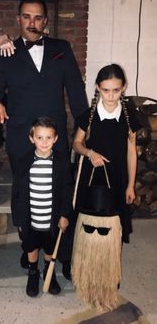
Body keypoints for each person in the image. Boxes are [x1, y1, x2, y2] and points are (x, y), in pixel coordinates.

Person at [0, 0, 88, 278]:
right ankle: (30, 252)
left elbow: (77, 94)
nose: (32, 22)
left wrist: (87, 127)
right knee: (27, 200)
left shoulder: (61, 49)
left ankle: (61, 257)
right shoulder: (5, 52)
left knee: (61, 198)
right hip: (21, 141)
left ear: (45, 21)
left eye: (38, 17)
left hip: (56, 142)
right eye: (26, 16)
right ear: (18, 19)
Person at [72, 63, 140, 244]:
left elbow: (132, 153)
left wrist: (131, 185)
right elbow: (76, 144)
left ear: (123, 87)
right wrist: (89, 153)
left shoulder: (129, 117)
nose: (110, 96)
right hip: (91, 176)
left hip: (118, 177)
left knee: (113, 225)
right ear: (98, 88)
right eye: (105, 90)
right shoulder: (89, 116)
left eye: (116, 90)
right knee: (88, 225)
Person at [11, 117, 74, 297]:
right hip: (30, 217)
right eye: (40, 137)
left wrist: (64, 215)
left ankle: (49, 269)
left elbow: (66, 190)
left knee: (49, 246)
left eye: (48, 138)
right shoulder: (24, 162)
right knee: (31, 245)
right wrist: (18, 219)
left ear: (56, 139)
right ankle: (33, 272)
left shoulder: (61, 162)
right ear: (32, 138)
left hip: (51, 218)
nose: (44, 142)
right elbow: (16, 193)